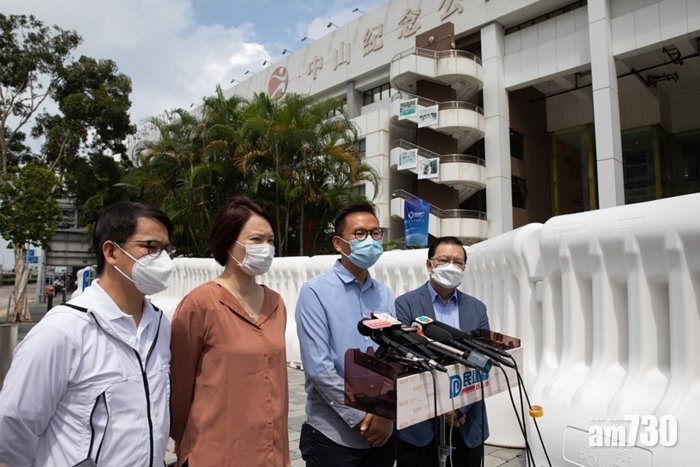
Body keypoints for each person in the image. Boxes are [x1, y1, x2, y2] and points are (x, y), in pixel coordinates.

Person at [0, 201, 175, 466]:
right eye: (150, 247)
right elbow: (12, 428)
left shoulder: (160, 324)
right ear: (111, 252)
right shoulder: (63, 331)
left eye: (165, 249)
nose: (162, 259)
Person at [170, 196, 290, 467]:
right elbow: (180, 385)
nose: (266, 248)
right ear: (228, 242)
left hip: (270, 453)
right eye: (256, 240)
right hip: (214, 452)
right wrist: (184, 444)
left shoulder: (276, 303)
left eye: (270, 240)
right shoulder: (200, 304)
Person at [296, 201, 396, 467]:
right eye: (360, 234)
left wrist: (385, 415)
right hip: (333, 436)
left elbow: (392, 359)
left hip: (382, 433)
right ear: (338, 244)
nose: (370, 241)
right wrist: (365, 417)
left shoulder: (384, 294)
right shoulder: (315, 292)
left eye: (376, 234)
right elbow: (320, 370)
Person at [395, 236, 490, 467]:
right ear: (429, 265)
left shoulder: (477, 308)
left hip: (466, 419)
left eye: (458, 262)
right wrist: (442, 408)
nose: (451, 266)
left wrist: (458, 408)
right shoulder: (405, 304)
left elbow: (483, 358)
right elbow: (408, 361)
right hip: (420, 424)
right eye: (444, 260)